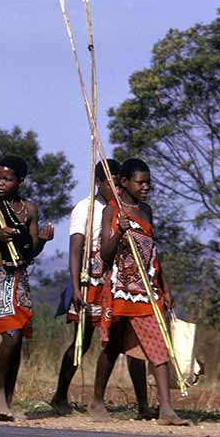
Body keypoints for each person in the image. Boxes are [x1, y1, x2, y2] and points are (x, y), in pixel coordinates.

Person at [51, 159, 154, 416]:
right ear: (98, 182)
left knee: (127, 340)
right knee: (81, 341)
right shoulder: (85, 208)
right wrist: (75, 287)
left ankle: (143, 404)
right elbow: (75, 250)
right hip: (90, 281)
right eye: (111, 181)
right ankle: (60, 395)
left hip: (118, 280)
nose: (117, 187)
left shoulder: (124, 207)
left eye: (119, 181)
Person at [91, 158, 189, 426]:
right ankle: (97, 401)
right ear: (124, 183)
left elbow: (153, 255)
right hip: (120, 289)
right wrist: (119, 232)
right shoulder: (112, 211)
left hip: (146, 290)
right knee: (112, 346)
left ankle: (166, 410)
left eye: (148, 182)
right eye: (140, 182)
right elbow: (105, 255)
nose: (146, 187)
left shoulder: (145, 211)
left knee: (159, 347)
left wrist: (164, 287)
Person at [0, 155, 53, 421]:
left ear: (20, 181)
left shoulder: (29, 209)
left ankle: (7, 399)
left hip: (18, 277)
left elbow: (31, 250)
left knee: (18, 341)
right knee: (11, 334)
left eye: (7, 179)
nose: (0, 183)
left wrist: (44, 241)